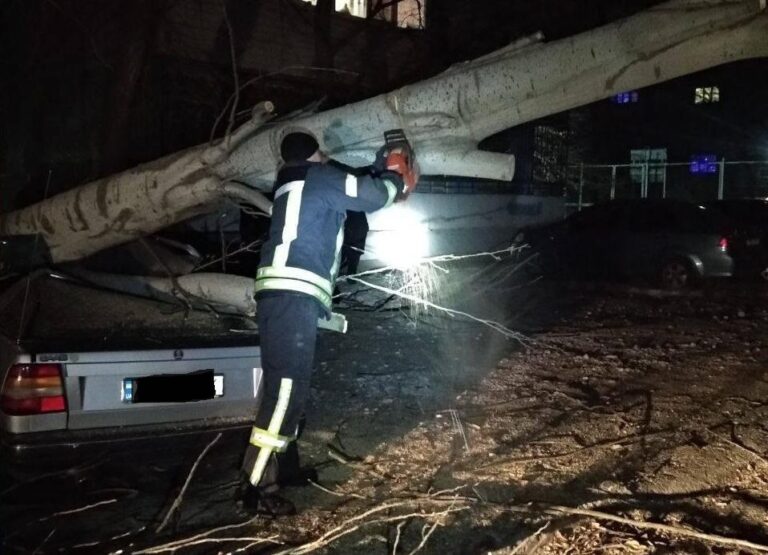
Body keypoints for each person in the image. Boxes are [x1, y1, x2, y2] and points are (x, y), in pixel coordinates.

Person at [239, 130, 409, 515]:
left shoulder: (293, 182)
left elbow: (352, 185)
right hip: (291, 297)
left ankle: (286, 469)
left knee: (288, 386)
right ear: (316, 154)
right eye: (324, 152)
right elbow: (371, 197)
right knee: (284, 392)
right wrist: (395, 174)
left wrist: (377, 167)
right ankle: (255, 488)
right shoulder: (319, 178)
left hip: (285, 296)